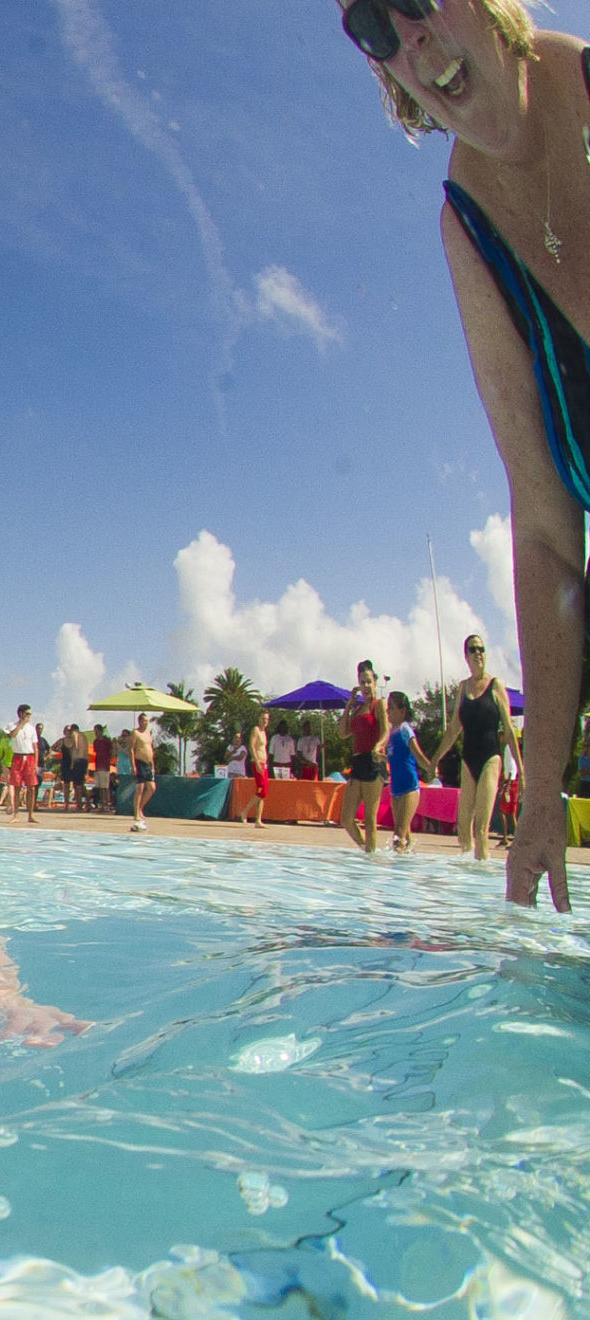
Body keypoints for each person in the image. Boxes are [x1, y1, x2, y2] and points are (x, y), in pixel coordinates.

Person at [335, 0, 589, 904]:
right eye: (372, 25)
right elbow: (550, 529)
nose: (407, 35)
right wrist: (545, 791)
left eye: (415, 1)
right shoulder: (467, 230)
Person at [432, 632, 523, 864]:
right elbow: (454, 730)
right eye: (473, 649)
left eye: (481, 649)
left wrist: (522, 770)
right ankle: (468, 880)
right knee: (464, 826)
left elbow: (510, 730)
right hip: (468, 758)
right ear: (466, 655)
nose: (478, 653)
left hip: (491, 757)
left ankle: (483, 881)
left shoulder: (495, 685)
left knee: (481, 826)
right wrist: (435, 760)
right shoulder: (462, 688)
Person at [340, 660, 386, 852]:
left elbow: (386, 731)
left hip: (373, 762)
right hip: (357, 764)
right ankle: (367, 850)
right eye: (362, 682)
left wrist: (379, 745)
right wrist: (349, 705)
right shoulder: (358, 709)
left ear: (375, 682)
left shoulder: (379, 704)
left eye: (368, 681)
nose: (365, 686)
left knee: (369, 819)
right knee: (346, 818)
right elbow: (343, 733)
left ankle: (371, 858)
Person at [387, 689, 436, 850]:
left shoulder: (404, 729)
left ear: (402, 711)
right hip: (396, 789)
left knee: (398, 835)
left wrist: (430, 767)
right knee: (405, 836)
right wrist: (379, 757)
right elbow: (393, 758)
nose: (388, 711)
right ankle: (409, 868)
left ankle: (397, 872)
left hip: (409, 788)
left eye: (391, 707)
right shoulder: (390, 733)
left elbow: (417, 753)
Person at [4, 706, 40, 822]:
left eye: (30, 714)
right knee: (17, 786)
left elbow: (35, 747)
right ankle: (16, 815)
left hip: (29, 757)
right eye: (27, 714)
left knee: (32, 787)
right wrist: (21, 724)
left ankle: (31, 815)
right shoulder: (12, 725)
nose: (29, 716)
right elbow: (12, 735)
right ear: (21, 714)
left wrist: (36, 763)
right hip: (18, 757)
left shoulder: (31, 728)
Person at [125, 713, 158, 832]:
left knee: (151, 788)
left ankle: (140, 808)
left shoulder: (148, 733)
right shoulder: (135, 733)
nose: (146, 723)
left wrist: (153, 765)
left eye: (147, 721)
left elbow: (150, 749)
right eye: (144, 721)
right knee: (139, 788)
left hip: (148, 763)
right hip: (139, 762)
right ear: (139, 721)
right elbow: (131, 749)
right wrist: (133, 765)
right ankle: (136, 813)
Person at [239, 709, 270, 828]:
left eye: (266, 719)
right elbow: (251, 746)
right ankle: (245, 812)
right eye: (263, 718)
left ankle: (258, 819)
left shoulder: (264, 733)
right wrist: (257, 762)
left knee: (263, 792)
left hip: (264, 763)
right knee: (261, 790)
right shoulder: (256, 730)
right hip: (257, 762)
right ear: (259, 719)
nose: (264, 721)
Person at [91, 723, 114, 812]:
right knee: (100, 787)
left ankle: (106, 805)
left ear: (100, 731)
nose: (95, 733)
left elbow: (111, 751)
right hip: (98, 765)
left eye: (96, 731)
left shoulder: (107, 741)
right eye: (95, 731)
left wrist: (110, 760)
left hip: (105, 765)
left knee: (105, 787)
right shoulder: (95, 741)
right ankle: (102, 804)